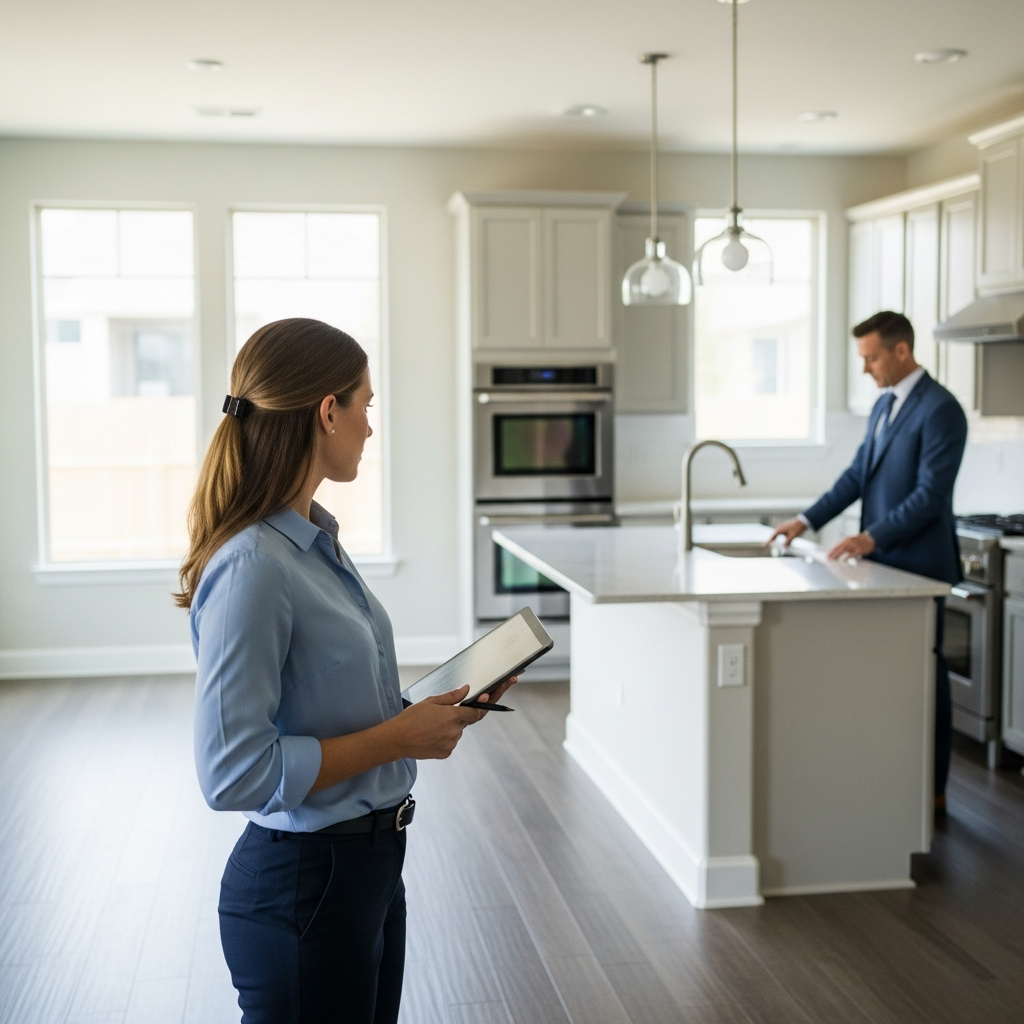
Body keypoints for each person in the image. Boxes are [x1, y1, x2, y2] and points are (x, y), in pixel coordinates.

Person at [175, 318, 515, 1024]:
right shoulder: (254, 567)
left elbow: (327, 698)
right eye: (365, 404)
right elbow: (231, 772)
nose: (369, 425)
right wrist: (399, 739)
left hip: (367, 868)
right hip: (306, 884)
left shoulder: (313, 542)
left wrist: (428, 710)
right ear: (327, 411)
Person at [768, 310, 967, 813]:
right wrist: (805, 520)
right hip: (884, 567)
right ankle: (891, 780)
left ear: (902, 351)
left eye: (871, 357)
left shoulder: (941, 409)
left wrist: (869, 537)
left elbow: (929, 496)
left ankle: (934, 789)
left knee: (927, 676)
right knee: (889, 679)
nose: (866, 369)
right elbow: (857, 476)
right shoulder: (884, 406)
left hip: (921, 566)